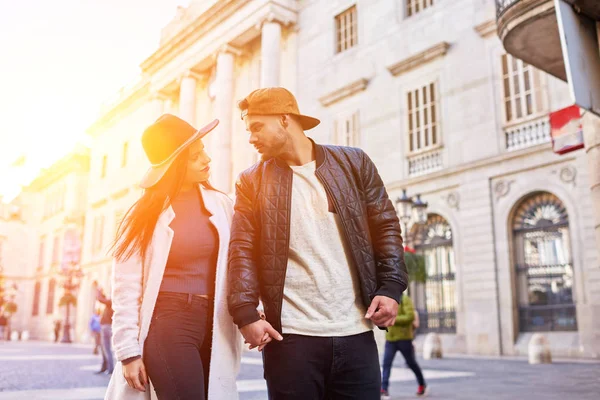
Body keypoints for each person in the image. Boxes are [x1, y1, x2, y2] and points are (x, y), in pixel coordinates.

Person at [227, 87, 408, 400]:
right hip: (291, 338)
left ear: (285, 120)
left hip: (356, 332)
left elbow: (386, 227)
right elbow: (241, 249)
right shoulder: (251, 181)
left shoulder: (354, 163)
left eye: (257, 127)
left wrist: (391, 288)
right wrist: (245, 313)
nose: (251, 138)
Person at [105, 114, 242, 400]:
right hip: (169, 322)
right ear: (177, 163)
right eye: (195, 156)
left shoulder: (222, 204)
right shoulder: (143, 216)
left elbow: (239, 262)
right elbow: (125, 288)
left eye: (203, 149)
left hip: (215, 323)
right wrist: (128, 352)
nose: (206, 158)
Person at [380, 294, 427, 398]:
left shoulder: (404, 299)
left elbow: (410, 316)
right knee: (386, 364)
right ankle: (384, 389)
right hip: (390, 338)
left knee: (411, 363)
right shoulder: (386, 299)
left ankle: (422, 384)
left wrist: (393, 319)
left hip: (404, 338)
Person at [96, 289, 114, 374]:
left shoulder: (112, 301)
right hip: (105, 327)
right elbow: (103, 299)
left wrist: (98, 290)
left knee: (106, 349)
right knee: (103, 348)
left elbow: (100, 299)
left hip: (107, 327)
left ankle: (110, 369)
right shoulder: (110, 302)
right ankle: (104, 367)